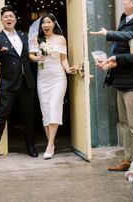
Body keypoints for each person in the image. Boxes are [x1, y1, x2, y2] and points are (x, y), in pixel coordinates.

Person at [90, 0, 133, 171]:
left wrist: (108, 33)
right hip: (121, 79)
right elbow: (123, 49)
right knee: (123, 124)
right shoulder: (126, 19)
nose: (123, 2)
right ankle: (128, 160)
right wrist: (109, 62)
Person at [0, 5, 38, 162]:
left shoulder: (24, 36)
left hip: (27, 82)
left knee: (28, 116)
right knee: (1, 116)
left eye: (11, 16)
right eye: (6, 16)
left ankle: (31, 146)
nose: (9, 19)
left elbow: (30, 56)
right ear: (1, 20)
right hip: (8, 84)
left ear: (15, 19)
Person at [29, 13, 76, 159]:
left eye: (48, 22)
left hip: (58, 77)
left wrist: (68, 70)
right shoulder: (37, 39)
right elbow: (31, 55)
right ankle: (51, 143)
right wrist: (37, 58)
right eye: (43, 23)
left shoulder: (60, 39)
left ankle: (50, 145)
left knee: (54, 107)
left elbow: (63, 58)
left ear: (54, 24)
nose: (45, 25)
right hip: (42, 79)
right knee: (45, 111)